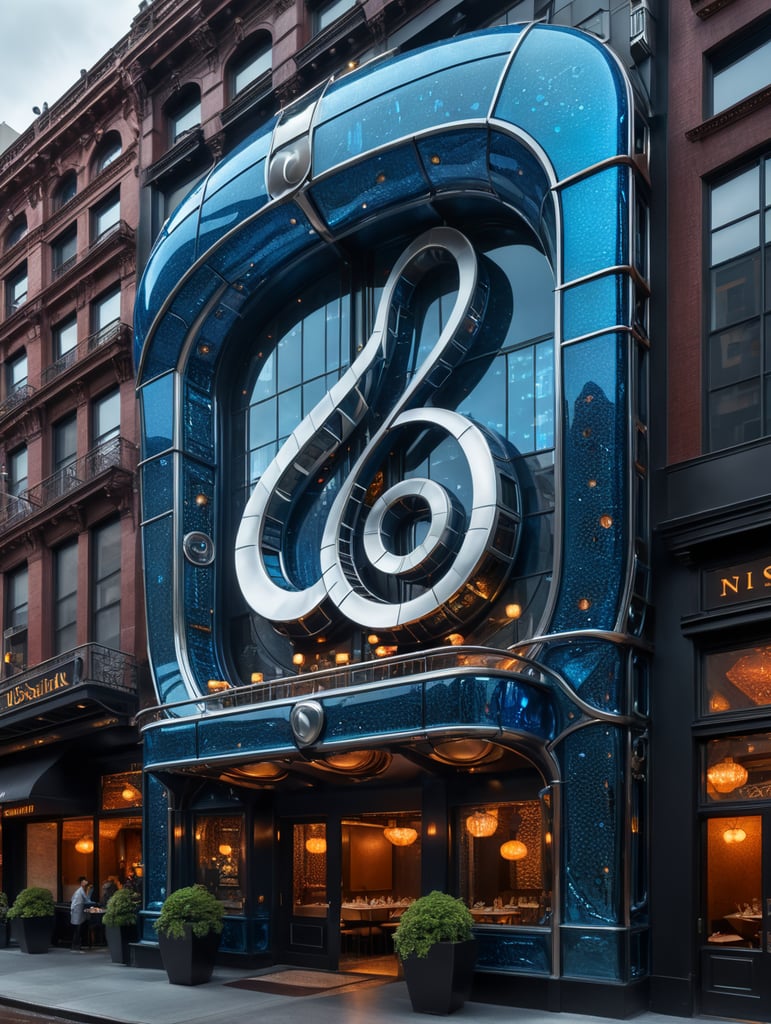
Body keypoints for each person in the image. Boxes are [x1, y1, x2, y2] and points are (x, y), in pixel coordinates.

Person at [70, 876, 96, 952]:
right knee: (77, 929)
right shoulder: (80, 891)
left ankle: (76, 946)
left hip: (77, 912)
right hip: (77, 912)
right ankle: (76, 946)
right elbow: (87, 900)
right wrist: (93, 904)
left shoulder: (80, 890)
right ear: (82, 882)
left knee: (77, 929)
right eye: (85, 881)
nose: (86, 882)